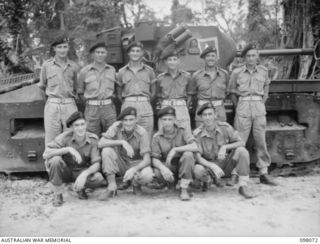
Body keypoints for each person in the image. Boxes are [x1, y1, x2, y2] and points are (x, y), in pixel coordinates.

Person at [228, 43, 277, 186]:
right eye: (248, 56)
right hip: (243, 105)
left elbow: (266, 86)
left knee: (260, 140)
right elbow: (231, 91)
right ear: (244, 58)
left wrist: (263, 100)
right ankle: (236, 173)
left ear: (258, 57)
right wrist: (239, 107)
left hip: (258, 106)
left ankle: (264, 172)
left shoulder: (263, 71)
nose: (251, 58)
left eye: (253, 55)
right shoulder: (237, 72)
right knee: (240, 140)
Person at [193, 102, 255, 199]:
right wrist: (211, 165)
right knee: (197, 169)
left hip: (225, 165)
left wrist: (225, 147)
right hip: (209, 167)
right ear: (201, 118)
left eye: (210, 114)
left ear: (215, 115)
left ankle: (243, 186)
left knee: (242, 151)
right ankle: (207, 180)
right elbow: (198, 158)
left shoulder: (225, 128)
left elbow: (241, 142)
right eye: (205, 115)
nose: (208, 117)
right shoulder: (197, 134)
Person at [43, 112, 105, 207]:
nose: (80, 128)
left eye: (82, 124)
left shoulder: (92, 139)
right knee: (55, 160)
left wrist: (84, 175)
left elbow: (96, 164)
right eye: (76, 125)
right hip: (66, 171)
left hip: (81, 171)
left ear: (86, 124)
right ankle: (58, 194)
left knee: (98, 178)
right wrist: (67, 149)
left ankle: (80, 188)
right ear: (71, 127)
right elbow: (46, 154)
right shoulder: (64, 137)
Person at [98, 107, 154, 200]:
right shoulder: (116, 127)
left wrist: (134, 169)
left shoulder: (142, 132)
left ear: (136, 119)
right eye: (125, 120)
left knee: (148, 175)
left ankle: (135, 184)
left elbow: (147, 160)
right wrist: (122, 142)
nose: (128, 123)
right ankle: (112, 186)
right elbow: (100, 143)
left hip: (136, 164)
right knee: (106, 151)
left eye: (131, 119)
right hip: (121, 163)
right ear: (121, 121)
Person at [38, 34, 79, 146]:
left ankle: (71, 162)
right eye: (59, 47)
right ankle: (53, 163)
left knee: (71, 137)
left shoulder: (74, 66)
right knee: (52, 138)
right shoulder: (46, 66)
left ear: (68, 48)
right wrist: (50, 102)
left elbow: (75, 88)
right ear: (54, 49)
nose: (62, 50)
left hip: (69, 104)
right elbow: (42, 87)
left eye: (65, 47)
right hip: (53, 104)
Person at [151, 106, 198, 201]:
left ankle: (184, 188)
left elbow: (195, 146)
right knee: (157, 172)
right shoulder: (157, 137)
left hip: (183, 164)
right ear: (160, 121)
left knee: (188, 154)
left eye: (170, 119)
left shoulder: (183, 130)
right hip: (169, 165)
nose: (167, 122)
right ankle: (169, 183)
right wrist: (163, 168)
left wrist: (175, 149)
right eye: (164, 119)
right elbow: (154, 158)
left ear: (175, 120)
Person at [116, 41, 156, 139]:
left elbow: (154, 92)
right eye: (132, 51)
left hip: (145, 104)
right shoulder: (121, 72)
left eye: (138, 51)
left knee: (147, 134)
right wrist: (127, 102)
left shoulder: (149, 71)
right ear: (128, 53)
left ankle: (146, 153)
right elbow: (119, 93)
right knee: (127, 133)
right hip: (128, 103)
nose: (135, 53)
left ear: (142, 53)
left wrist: (145, 101)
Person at [78, 41, 117, 136]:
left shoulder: (112, 70)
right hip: (91, 109)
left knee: (112, 135)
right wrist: (90, 103)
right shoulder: (84, 71)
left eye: (103, 52)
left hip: (108, 108)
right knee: (92, 137)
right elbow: (80, 92)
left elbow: (115, 89)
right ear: (92, 55)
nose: (100, 55)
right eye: (97, 52)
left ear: (106, 54)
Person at [155, 49, 194, 133]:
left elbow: (190, 95)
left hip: (181, 107)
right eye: (169, 60)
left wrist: (184, 107)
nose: (172, 62)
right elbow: (158, 96)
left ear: (178, 61)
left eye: (174, 59)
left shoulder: (186, 76)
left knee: (185, 132)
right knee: (165, 132)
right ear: (165, 62)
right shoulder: (160, 78)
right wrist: (164, 105)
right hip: (166, 105)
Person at [192, 46, 229, 126]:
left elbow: (227, 92)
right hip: (202, 110)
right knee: (201, 135)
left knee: (221, 134)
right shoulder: (196, 75)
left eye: (213, 56)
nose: (210, 58)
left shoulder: (224, 74)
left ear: (217, 58)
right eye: (208, 56)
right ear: (204, 58)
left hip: (219, 110)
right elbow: (193, 95)